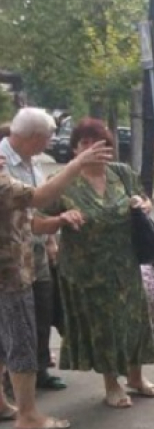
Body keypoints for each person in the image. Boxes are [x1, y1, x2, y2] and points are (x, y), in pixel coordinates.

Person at [42, 118, 154, 409]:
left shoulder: (121, 173)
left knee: (133, 320)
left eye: (100, 142)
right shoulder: (62, 181)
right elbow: (35, 221)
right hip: (86, 270)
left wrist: (143, 205)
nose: (94, 148)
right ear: (74, 150)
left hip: (124, 264)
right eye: (85, 143)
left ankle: (136, 377)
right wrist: (60, 219)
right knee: (104, 326)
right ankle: (111, 384)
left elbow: (145, 201)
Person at [0, 135, 112, 429]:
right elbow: (38, 197)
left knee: (3, 340)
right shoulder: (3, 182)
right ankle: (28, 415)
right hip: (8, 273)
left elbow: (33, 219)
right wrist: (77, 164)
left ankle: (1, 403)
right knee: (20, 340)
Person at [0, 108, 67, 391]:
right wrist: (76, 167)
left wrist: (51, 241)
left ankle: (38, 369)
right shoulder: (3, 163)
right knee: (16, 324)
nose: (49, 144)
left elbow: (40, 205)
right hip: (11, 258)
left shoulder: (32, 162)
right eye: (48, 138)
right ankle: (13, 384)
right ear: (33, 137)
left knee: (41, 309)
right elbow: (35, 198)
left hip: (35, 249)